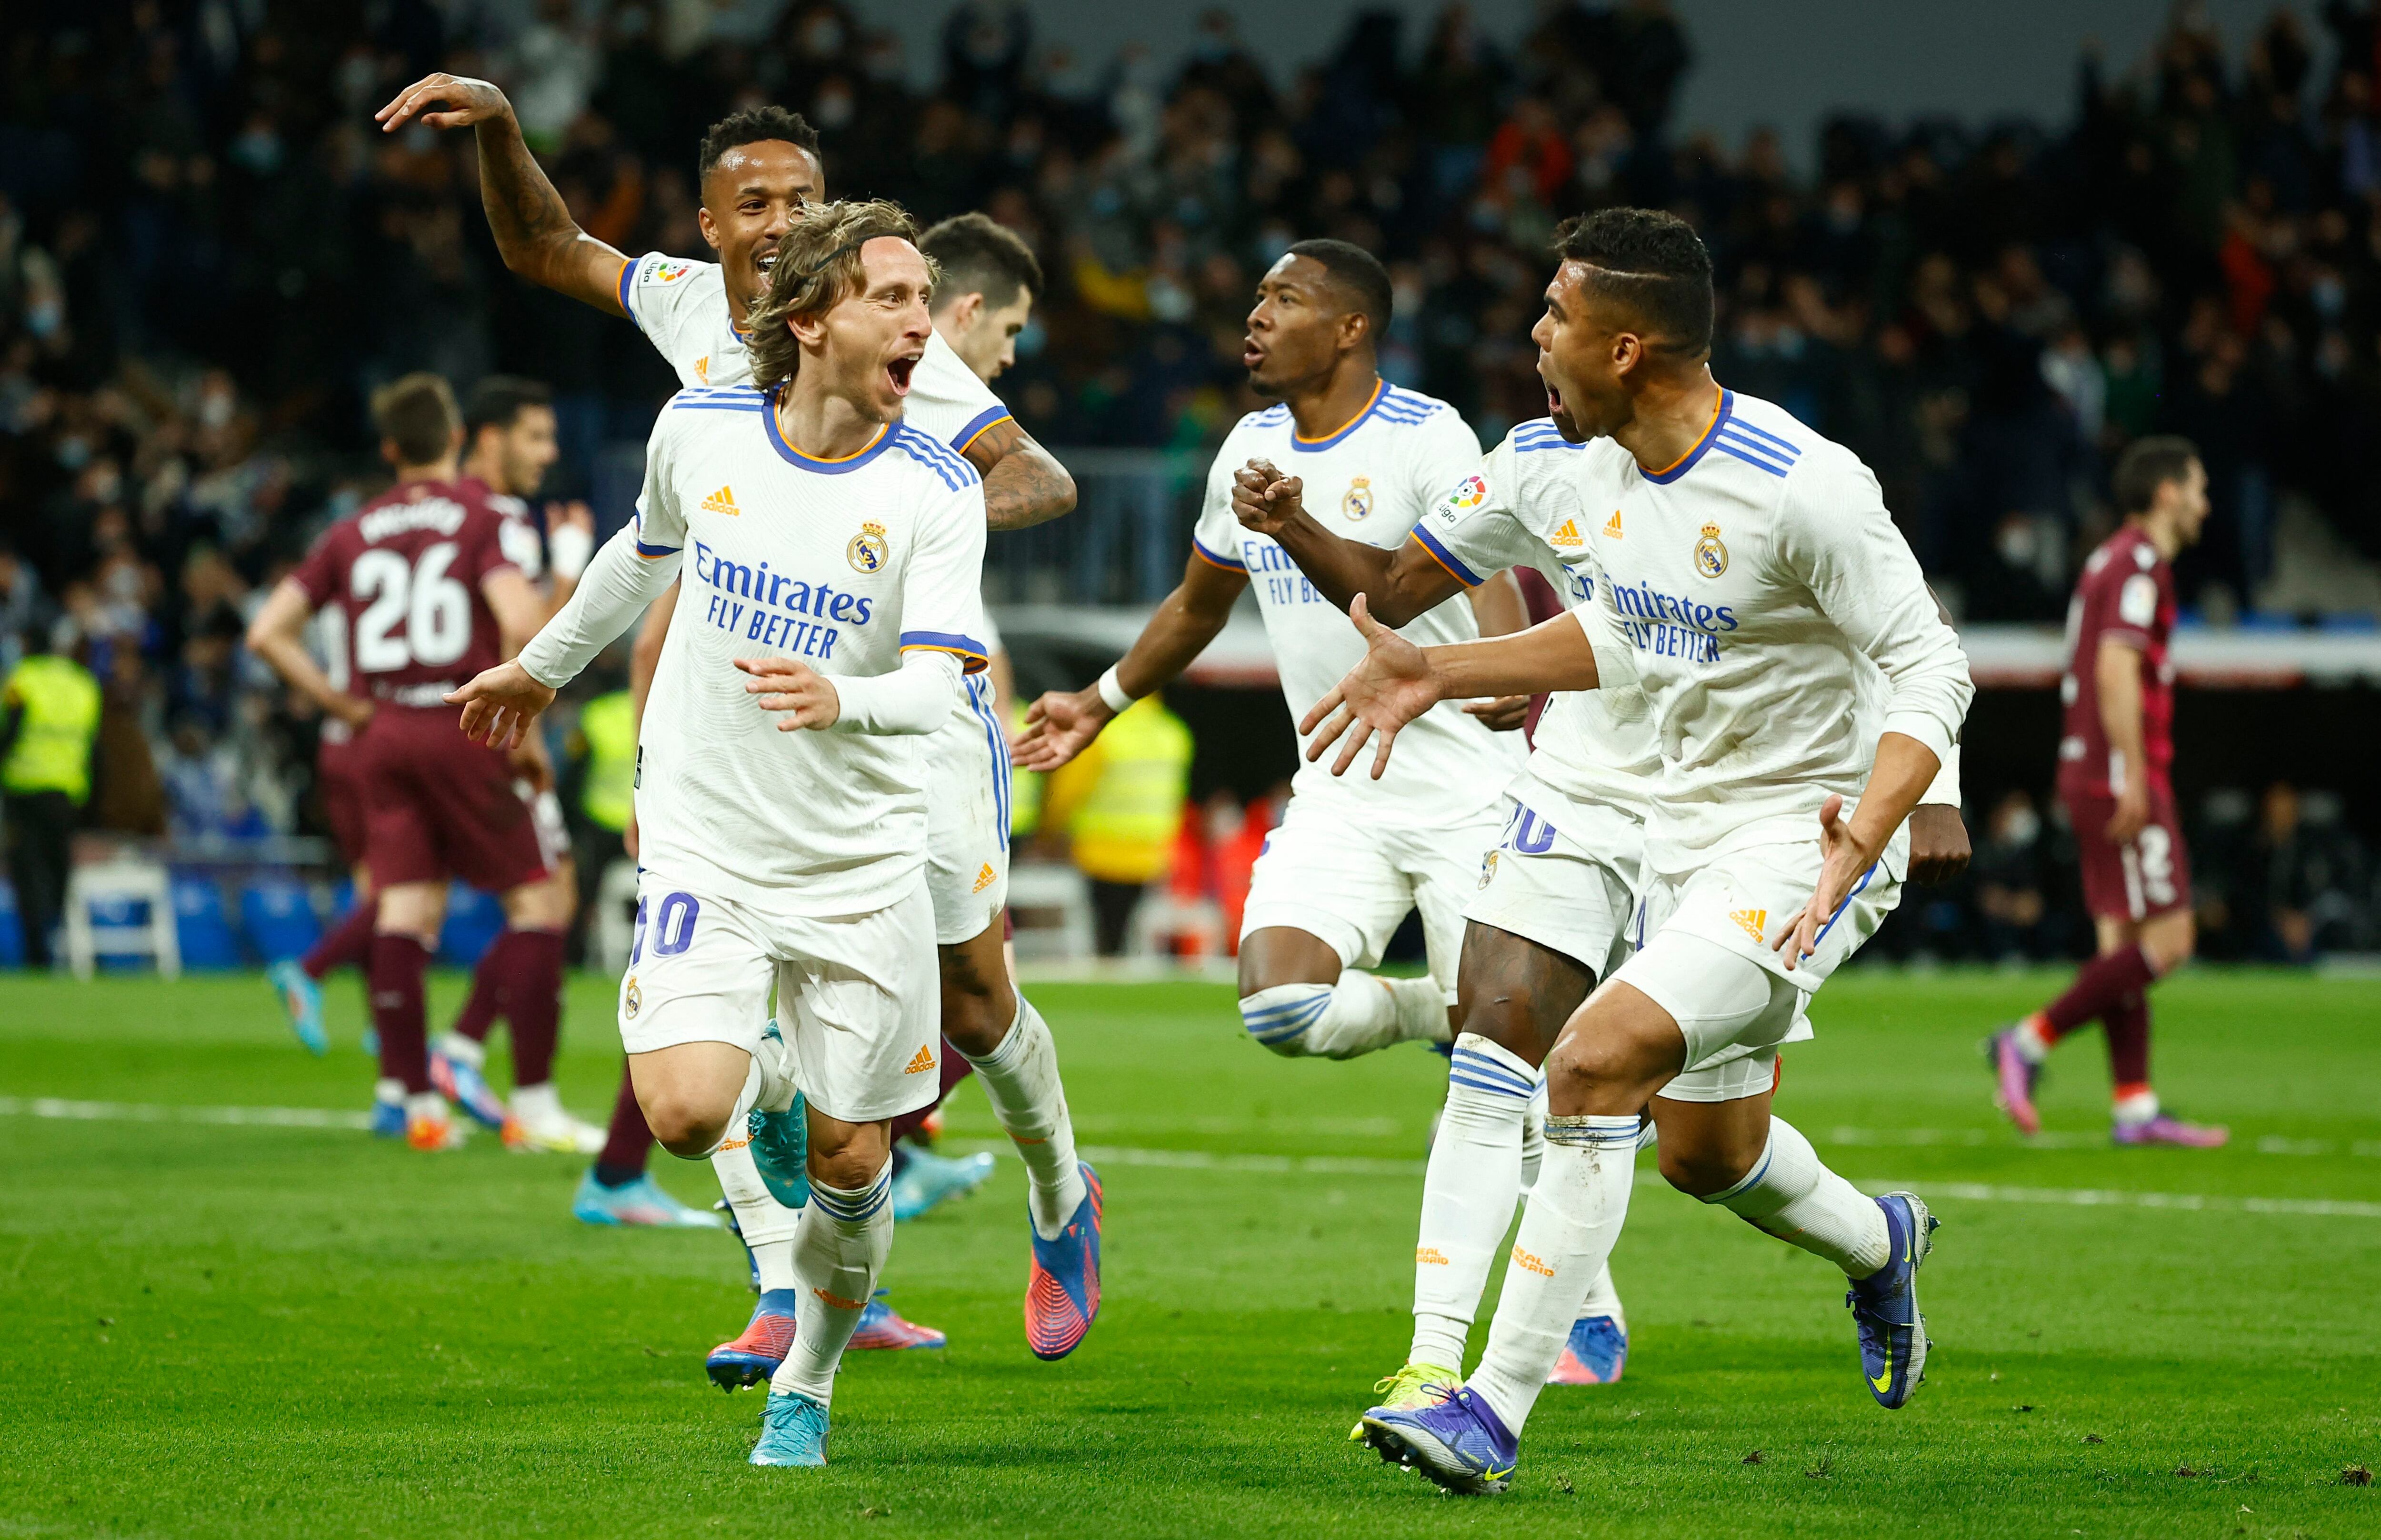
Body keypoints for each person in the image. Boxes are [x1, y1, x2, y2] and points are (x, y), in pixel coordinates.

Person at [379, 75, 1079, 1330]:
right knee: (724, 1024)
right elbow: (544, 247)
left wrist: (902, 539)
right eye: (751, 201)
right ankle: (788, 1284)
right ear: (708, 228)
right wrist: (498, 129)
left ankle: (1060, 1194)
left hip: (899, 723)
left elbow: (1039, 479)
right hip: (741, 735)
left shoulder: (890, 348)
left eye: (802, 197)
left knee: (974, 1002)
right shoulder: (692, 318)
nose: (778, 218)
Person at [1298, 210, 1973, 1494]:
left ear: (1625, 346)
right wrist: (1432, 666)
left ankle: (1486, 1410)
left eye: (1552, 317)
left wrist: (1886, 817)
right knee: (1696, 1151)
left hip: (1796, 836)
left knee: (1597, 1065)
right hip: (1624, 802)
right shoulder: (1557, 459)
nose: (1532, 336)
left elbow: (1926, 657)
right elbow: (1625, 639)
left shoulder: (1803, 483)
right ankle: (1878, 1242)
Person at [1016, 240, 1534, 1065]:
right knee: (1281, 1007)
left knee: (1513, 1057)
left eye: (1286, 300)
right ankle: (1431, 1008)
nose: (1256, 316)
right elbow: (1196, 606)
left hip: (1468, 795)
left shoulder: (1426, 434)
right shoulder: (1249, 449)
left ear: (1350, 328)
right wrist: (1097, 700)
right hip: (1338, 799)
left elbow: (1487, 574)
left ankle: (1480, 1027)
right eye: (1257, 296)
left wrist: (1508, 663)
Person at [245, 373, 570, 1152]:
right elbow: (521, 623)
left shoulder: (352, 530)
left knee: (401, 905)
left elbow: (267, 632)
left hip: (381, 728)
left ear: (390, 449)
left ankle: (414, 1101)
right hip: (463, 721)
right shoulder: (481, 515)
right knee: (542, 901)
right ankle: (533, 1098)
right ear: (457, 440)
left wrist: (340, 702)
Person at [1986, 437, 2227, 1147]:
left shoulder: (2107, 561)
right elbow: (2116, 670)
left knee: (2121, 938)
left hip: (2086, 765)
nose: (2206, 504)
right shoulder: (2139, 565)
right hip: (2116, 770)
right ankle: (2027, 1040)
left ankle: (2134, 1104)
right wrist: (2131, 772)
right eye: (2199, 488)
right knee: (2172, 937)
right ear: (2167, 493)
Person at [417, 375, 606, 1153]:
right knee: (545, 905)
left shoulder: (423, 516)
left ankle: (454, 1055)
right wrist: (569, 568)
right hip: (488, 731)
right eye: (534, 436)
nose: (549, 453)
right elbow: (532, 639)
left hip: (415, 726)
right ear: (486, 438)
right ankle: (532, 1099)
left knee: (530, 901)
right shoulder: (497, 522)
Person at [1040, 693, 1194, 955]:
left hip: (1099, 850)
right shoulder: (1174, 732)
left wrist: (1047, 832)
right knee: (1130, 932)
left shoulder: (1102, 732)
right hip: (1151, 851)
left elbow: (1067, 792)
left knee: (1100, 934)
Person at [0, 622, 100, 970]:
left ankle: (36, 952)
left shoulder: (22, 679)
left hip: (23, 790)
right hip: (66, 794)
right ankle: (54, 929)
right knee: (58, 868)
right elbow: (94, 748)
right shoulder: (83, 684)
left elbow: (9, 731)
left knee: (27, 870)